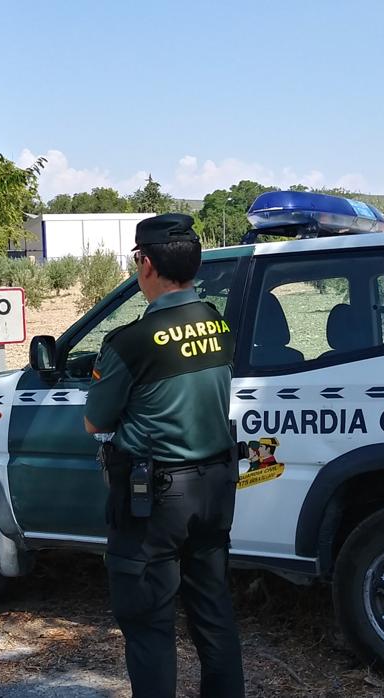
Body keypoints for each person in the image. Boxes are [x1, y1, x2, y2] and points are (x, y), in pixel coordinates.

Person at [84, 213, 245, 698]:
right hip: (216, 488)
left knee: (149, 624)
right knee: (214, 615)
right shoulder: (218, 325)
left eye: (137, 260)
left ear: (147, 264)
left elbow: (96, 421)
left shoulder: (131, 342)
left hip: (155, 502)